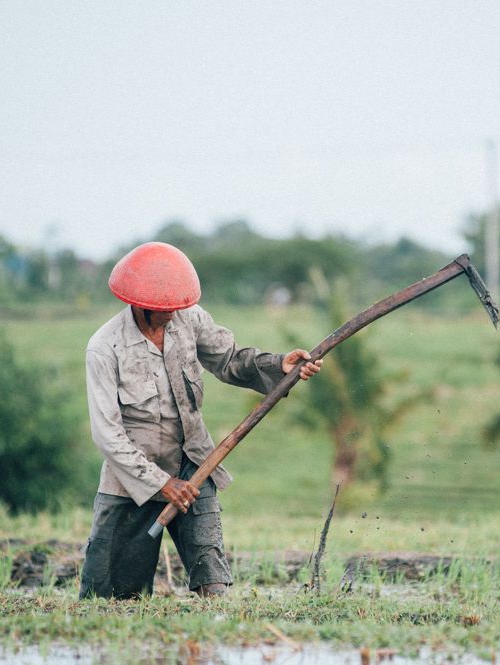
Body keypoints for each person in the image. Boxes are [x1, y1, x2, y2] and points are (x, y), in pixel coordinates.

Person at [79, 242, 321, 599]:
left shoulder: (189, 318)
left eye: (180, 306)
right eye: (166, 309)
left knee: (213, 577)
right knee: (111, 596)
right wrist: (162, 485)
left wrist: (279, 365)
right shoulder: (105, 349)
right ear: (142, 307)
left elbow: (230, 359)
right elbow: (108, 436)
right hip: (132, 481)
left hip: (195, 466)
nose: (175, 314)